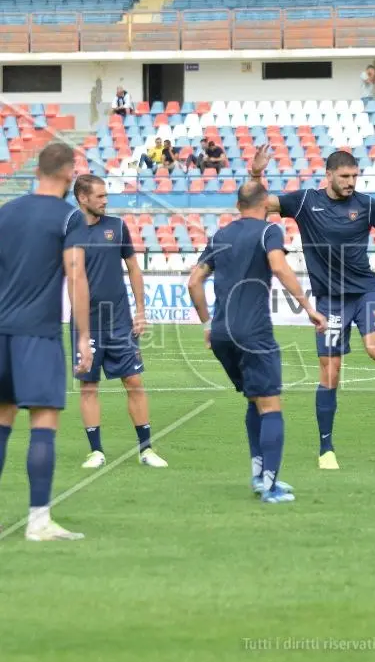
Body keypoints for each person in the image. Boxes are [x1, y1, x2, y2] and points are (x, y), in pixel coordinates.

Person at [249, 146, 375, 470]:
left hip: (364, 291)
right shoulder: (305, 201)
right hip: (329, 299)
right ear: (328, 175)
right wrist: (256, 174)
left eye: (355, 177)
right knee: (330, 375)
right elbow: (261, 202)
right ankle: (326, 450)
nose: (350, 183)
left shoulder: (366, 204)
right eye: (345, 177)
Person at [188, 181, 327, 503]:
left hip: (222, 333)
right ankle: (270, 484)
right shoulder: (269, 232)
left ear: (238, 205)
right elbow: (278, 266)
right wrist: (309, 308)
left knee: (255, 401)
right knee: (270, 405)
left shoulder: (220, 236)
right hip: (253, 332)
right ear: (265, 203)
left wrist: (208, 324)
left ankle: (258, 474)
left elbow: (194, 281)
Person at [0, 143, 93, 541]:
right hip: (37, 333)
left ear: (37, 170)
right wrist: (85, 336)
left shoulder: (6, 212)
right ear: (70, 172)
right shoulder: (70, 215)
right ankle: (39, 522)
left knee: (2, 420)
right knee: (44, 421)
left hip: (1, 330)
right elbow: (76, 275)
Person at [71, 174, 167, 470]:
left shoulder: (117, 226)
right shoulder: (68, 231)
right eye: (99, 196)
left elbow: (134, 269)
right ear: (82, 198)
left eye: (105, 195)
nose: (105, 201)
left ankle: (146, 449)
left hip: (120, 321)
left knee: (134, 381)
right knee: (88, 386)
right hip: (86, 323)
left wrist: (140, 310)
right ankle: (95, 451)